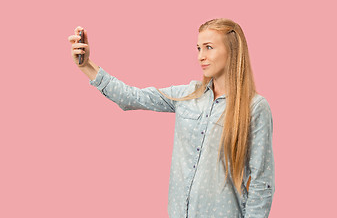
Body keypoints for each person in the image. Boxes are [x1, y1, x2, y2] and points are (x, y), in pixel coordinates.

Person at [67, 18, 275, 218]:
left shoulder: (255, 107)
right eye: (198, 48)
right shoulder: (187, 94)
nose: (200, 56)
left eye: (209, 47)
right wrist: (87, 66)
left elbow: (261, 182)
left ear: (232, 51)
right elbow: (132, 97)